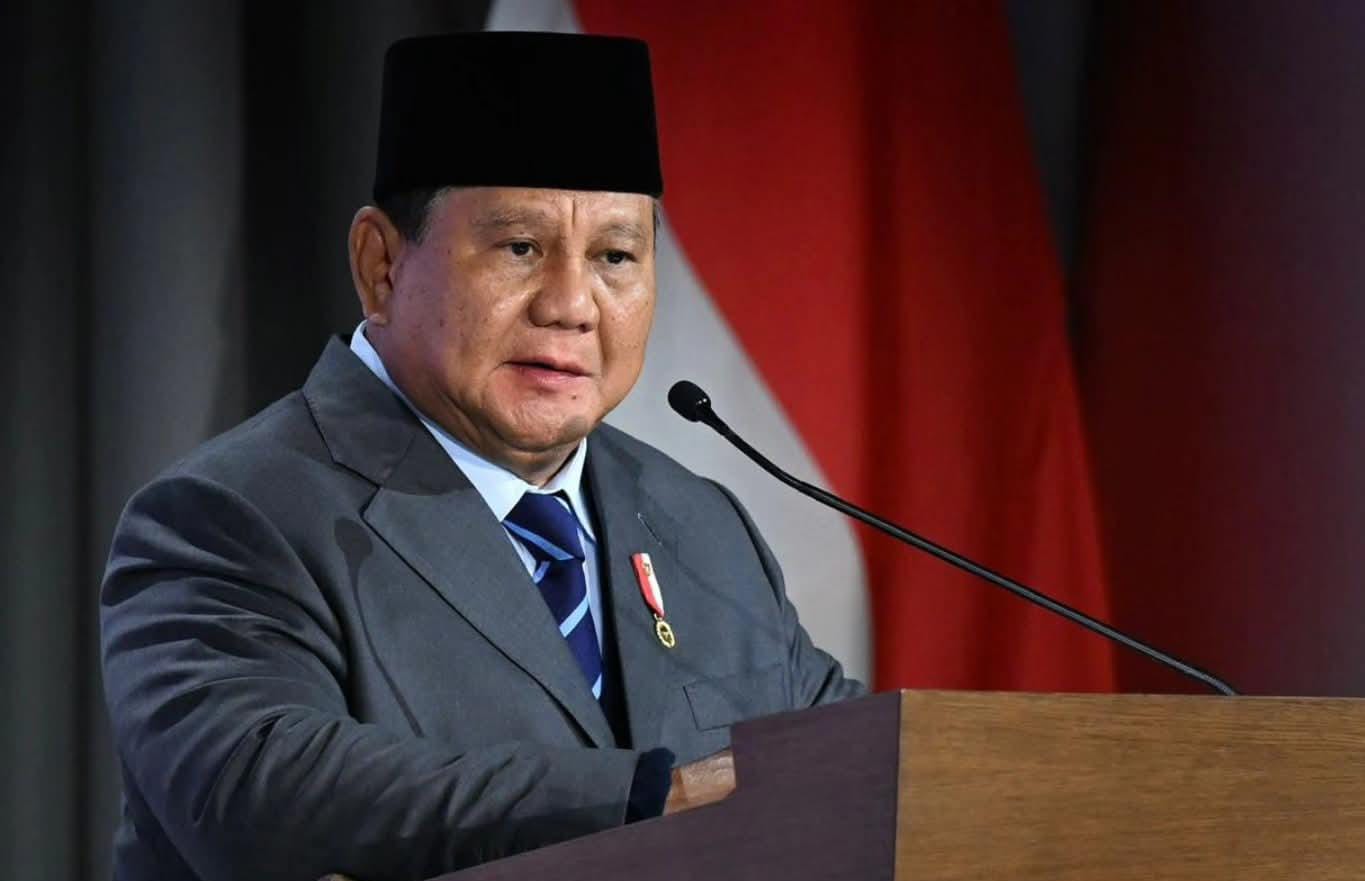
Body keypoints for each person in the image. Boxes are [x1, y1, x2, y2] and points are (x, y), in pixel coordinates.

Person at [100, 32, 863, 881]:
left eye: (614, 256)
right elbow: (256, 791)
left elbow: (868, 773)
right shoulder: (231, 516)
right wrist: (646, 799)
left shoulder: (700, 525)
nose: (571, 304)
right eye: (519, 248)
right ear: (381, 267)